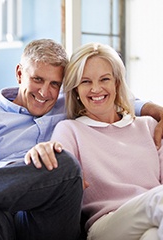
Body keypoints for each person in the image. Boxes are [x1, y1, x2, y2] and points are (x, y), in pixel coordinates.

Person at [0, 39, 163, 240]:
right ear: (19, 73)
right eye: (37, 79)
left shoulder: (66, 105)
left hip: (48, 219)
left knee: (62, 163)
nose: (45, 92)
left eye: (55, 84)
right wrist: (30, 167)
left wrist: (153, 109)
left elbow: (103, 95)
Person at [25, 42, 163, 240]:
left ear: (116, 83)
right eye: (86, 82)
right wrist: (44, 151)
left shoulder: (149, 126)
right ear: (76, 90)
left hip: (151, 216)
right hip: (106, 224)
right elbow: (59, 173)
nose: (96, 89)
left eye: (104, 79)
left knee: (151, 235)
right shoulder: (70, 130)